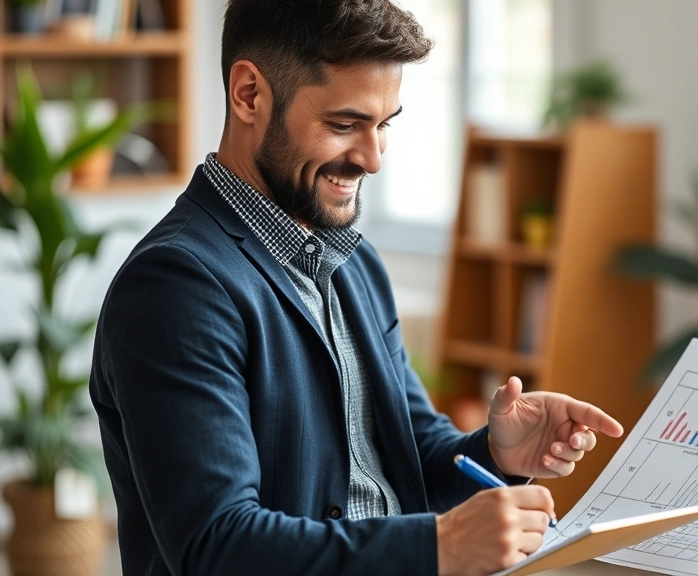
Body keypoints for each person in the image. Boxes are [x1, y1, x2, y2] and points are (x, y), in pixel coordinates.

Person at [89, 1, 624, 575]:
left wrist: (495, 451)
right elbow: (216, 547)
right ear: (249, 95)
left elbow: (412, 453)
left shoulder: (353, 263)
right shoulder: (176, 286)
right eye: (344, 125)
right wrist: (440, 545)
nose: (372, 159)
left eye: (384, 125)